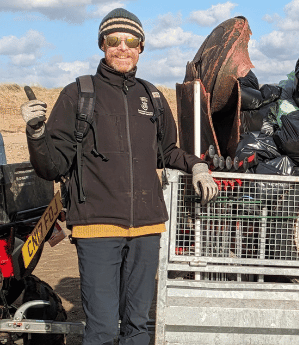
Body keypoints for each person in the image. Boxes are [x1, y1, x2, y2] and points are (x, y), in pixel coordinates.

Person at [20, 8, 218, 345]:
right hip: (96, 228)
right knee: (101, 329)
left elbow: (167, 151)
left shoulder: (152, 97)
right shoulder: (78, 94)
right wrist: (36, 133)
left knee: (139, 326)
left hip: (147, 227)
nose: (122, 47)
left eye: (130, 40)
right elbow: (52, 166)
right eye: (114, 40)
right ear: (102, 44)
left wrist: (197, 165)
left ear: (141, 46)